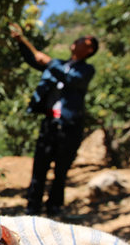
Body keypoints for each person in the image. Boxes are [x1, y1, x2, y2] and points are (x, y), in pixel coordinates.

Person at [9, 24, 99, 217]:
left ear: (90, 50)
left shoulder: (85, 70)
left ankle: (54, 207)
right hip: (49, 124)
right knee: (39, 167)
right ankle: (32, 207)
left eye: (85, 40)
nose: (79, 40)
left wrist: (50, 62)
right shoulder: (58, 64)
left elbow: (71, 79)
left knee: (61, 169)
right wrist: (20, 43)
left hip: (69, 127)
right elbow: (34, 60)